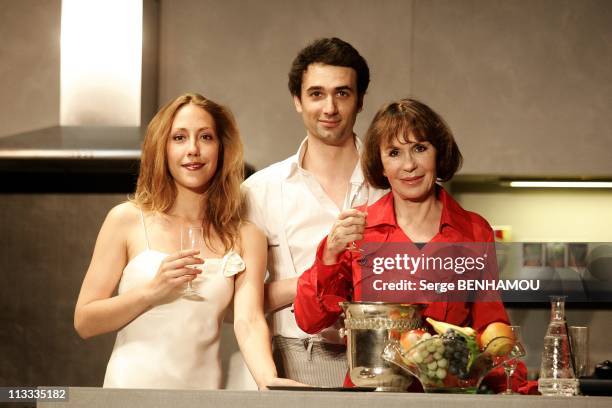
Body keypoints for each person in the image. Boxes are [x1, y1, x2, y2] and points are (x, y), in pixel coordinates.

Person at [293, 98, 528, 392]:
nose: (409, 165)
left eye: (420, 148)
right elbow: (309, 319)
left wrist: (518, 390)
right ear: (381, 164)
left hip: (449, 397)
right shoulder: (358, 230)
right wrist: (329, 256)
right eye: (394, 153)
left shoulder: (473, 230)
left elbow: (492, 330)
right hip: (372, 396)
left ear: (438, 152)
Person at [74, 93, 295, 390]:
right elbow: (85, 321)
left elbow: (249, 320)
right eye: (179, 138)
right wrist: (152, 291)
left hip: (204, 392)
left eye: (205, 137)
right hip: (130, 391)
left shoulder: (246, 236)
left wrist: (268, 381)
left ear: (221, 148)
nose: (193, 149)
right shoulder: (125, 219)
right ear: (162, 148)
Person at [241, 38, 386, 386]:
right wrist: (319, 278)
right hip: (296, 358)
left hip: (385, 359)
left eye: (343, 93)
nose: (330, 107)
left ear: (361, 99)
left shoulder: (391, 184)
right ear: (297, 100)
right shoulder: (259, 191)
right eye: (316, 94)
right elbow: (238, 307)